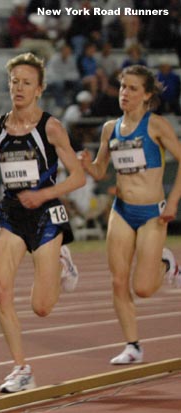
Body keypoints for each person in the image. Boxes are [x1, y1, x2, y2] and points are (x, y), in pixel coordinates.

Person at [0, 52, 86, 393]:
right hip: (12, 214)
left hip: (45, 216)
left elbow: (78, 177)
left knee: (41, 307)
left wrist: (43, 195)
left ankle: (60, 262)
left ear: (39, 89)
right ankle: (21, 368)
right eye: (14, 81)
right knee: (1, 292)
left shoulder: (50, 127)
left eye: (27, 83)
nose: (19, 88)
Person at [78, 65, 181, 365]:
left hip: (152, 214)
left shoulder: (156, 125)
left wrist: (173, 201)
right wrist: (87, 164)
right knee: (118, 281)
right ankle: (132, 345)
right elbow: (100, 171)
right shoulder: (110, 128)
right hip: (121, 211)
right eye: (123, 86)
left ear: (147, 94)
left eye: (133, 88)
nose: (125, 93)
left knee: (144, 288)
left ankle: (167, 264)